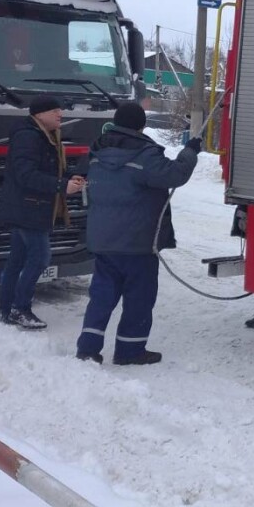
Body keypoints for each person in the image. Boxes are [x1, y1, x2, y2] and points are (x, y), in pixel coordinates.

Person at [75, 102, 198, 365]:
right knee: (138, 298)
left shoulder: (96, 151)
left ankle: (87, 348)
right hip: (137, 243)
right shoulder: (144, 154)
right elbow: (175, 175)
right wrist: (189, 152)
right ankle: (129, 351)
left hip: (103, 240)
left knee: (101, 295)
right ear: (141, 125)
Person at [0, 95, 85, 329]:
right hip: (28, 208)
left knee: (16, 260)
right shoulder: (29, 137)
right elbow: (25, 175)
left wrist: (67, 179)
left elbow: (44, 169)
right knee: (39, 258)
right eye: (55, 110)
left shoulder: (43, 136)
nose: (60, 115)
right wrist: (60, 186)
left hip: (27, 207)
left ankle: (6, 310)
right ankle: (20, 308)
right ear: (39, 114)